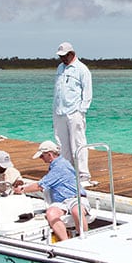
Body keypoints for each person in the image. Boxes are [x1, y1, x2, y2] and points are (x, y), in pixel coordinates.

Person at [15, 140, 89, 242]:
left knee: (76, 211)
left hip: (75, 198)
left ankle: (85, 239)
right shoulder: (55, 165)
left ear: (49, 155)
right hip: (61, 202)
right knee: (51, 213)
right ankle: (66, 242)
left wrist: (22, 189)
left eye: (42, 156)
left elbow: (39, 186)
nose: (41, 159)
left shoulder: (60, 166)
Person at [52, 41, 93, 185]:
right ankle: (67, 172)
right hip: (59, 111)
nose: (62, 58)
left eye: (64, 56)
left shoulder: (82, 69)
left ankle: (83, 175)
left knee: (78, 143)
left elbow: (87, 92)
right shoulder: (60, 68)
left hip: (74, 111)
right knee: (62, 144)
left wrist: (81, 110)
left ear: (72, 54)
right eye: (60, 56)